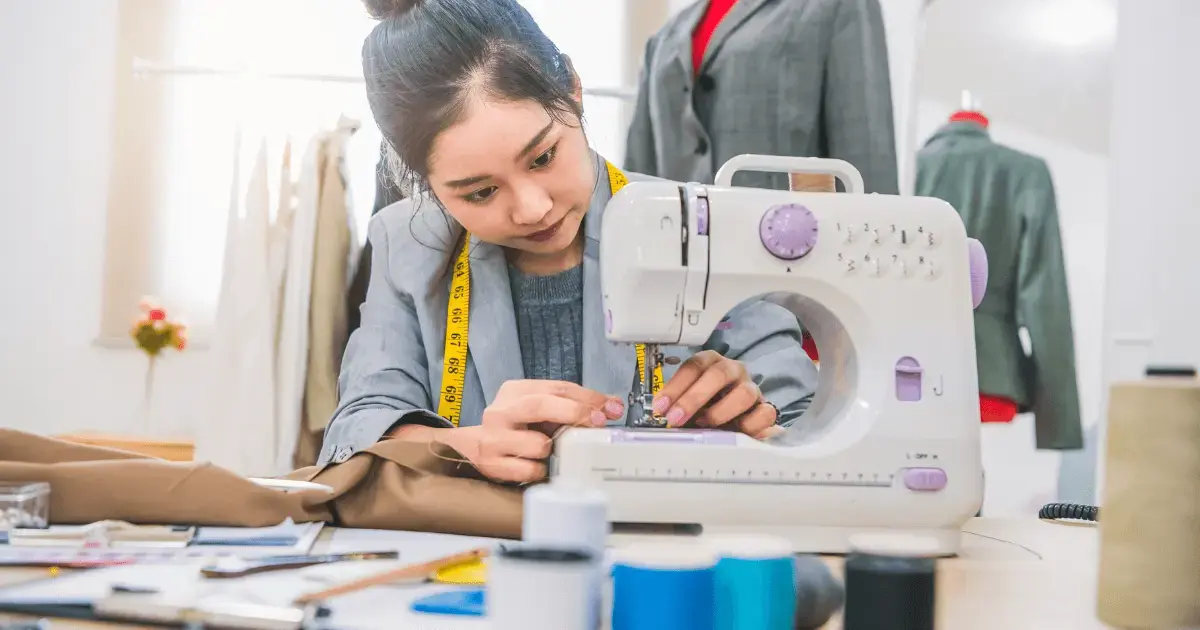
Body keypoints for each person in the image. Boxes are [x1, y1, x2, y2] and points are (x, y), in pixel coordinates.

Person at [318, 0, 819, 483]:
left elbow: (803, 409)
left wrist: (758, 414)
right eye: (481, 192)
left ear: (574, 90)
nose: (533, 208)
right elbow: (355, 429)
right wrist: (465, 446)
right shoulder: (408, 246)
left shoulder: (700, 225)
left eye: (542, 158)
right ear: (424, 185)